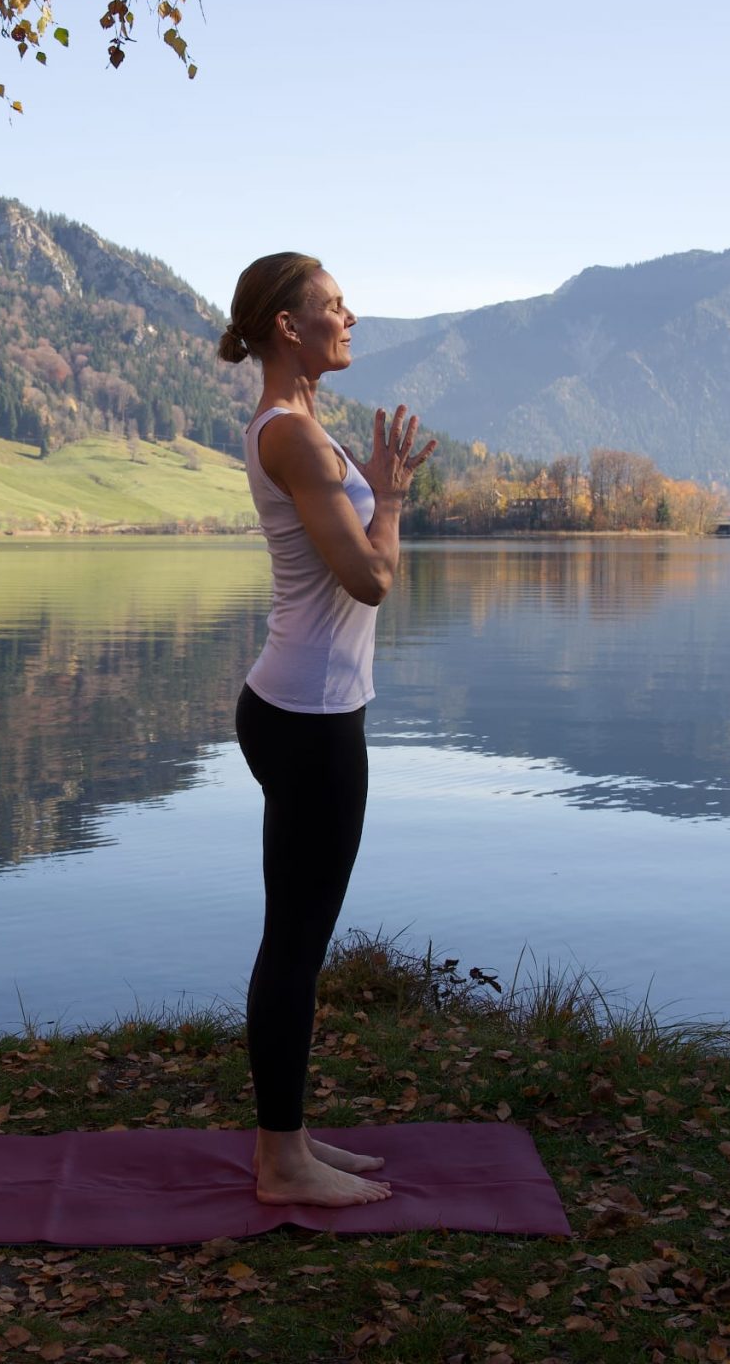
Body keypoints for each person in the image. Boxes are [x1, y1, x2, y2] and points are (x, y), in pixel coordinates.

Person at [217, 252, 435, 1208]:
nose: (351, 317)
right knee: (297, 940)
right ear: (285, 327)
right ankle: (280, 1161)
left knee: (297, 933)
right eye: (333, 306)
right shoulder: (294, 439)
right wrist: (388, 501)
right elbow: (370, 579)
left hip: (306, 706)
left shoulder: (306, 426)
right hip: (306, 718)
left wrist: (379, 485)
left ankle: (290, 1141)